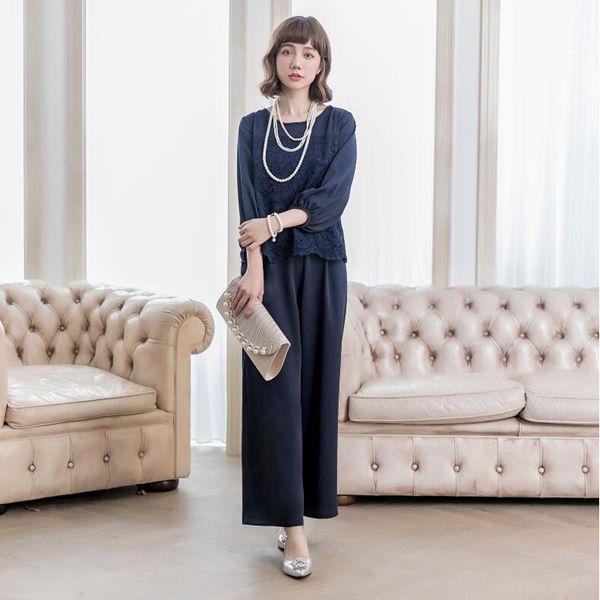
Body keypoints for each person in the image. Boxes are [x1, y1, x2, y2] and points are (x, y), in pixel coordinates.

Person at [231, 15, 357, 579]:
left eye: (308, 53)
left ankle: (300, 510)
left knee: (313, 390)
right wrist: (253, 266)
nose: (297, 62)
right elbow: (248, 203)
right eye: (288, 51)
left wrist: (276, 223)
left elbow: (329, 202)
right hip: (268, 272)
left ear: (321, 64)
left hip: (323, 266)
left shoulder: (340, 125)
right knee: (274, 391)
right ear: (274, 60)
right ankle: (292, 527)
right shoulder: (252, 128)